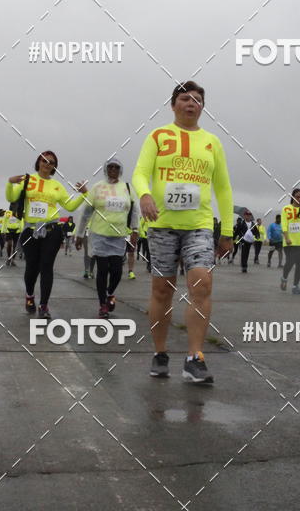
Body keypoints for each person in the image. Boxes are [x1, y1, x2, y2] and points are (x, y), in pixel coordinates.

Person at [132, 81, 233, 383]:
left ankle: (195, 357)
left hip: (199, 226)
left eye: (197, 100)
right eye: (185, 98)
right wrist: (145, 195)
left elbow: (223, 188)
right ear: (173, 104)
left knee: (201, 284)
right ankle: (160, 352)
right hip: (161, 225)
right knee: (162, 290)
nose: (191, 103)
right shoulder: (158, 136)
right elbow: (139, 173)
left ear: (203, 107)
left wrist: (226, 231)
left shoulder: (212, 142)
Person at [6, 151, 87, 320]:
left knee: (46, 267)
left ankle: (44, 306)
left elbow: (70, 206)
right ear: (38, 162)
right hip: (30, 230)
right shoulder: (28, 180)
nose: (47, 164)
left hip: (52, 230)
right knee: (32, 267)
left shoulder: (57, 186)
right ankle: (29, 296)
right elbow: (11, 196)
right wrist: (10, 183)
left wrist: (84, 194)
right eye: (44, 160)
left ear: (54, 166)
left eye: (51, 162)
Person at [75, 160, 137, 317]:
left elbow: (134, 211)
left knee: (116, 271)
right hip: (99, 235)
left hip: (119, 235)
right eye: (110, 167)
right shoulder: (97, 187)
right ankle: (103, 304)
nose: (113, 169)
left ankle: (110, 293)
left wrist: (135, 231)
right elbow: (86, 212)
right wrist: (80, 235)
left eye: (116, 167)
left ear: (120, 170)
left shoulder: (127, 188)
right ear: (105, 169)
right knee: (102, 270)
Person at [280, 188, 300, 294]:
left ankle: (295, 286)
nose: (299, 199)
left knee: (299, 264)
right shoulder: (286, 209)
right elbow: (284, 224)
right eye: (297, 196)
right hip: (289, 241)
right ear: (292, 197)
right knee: (290, 262)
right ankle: (284, 278)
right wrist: (287, 238)